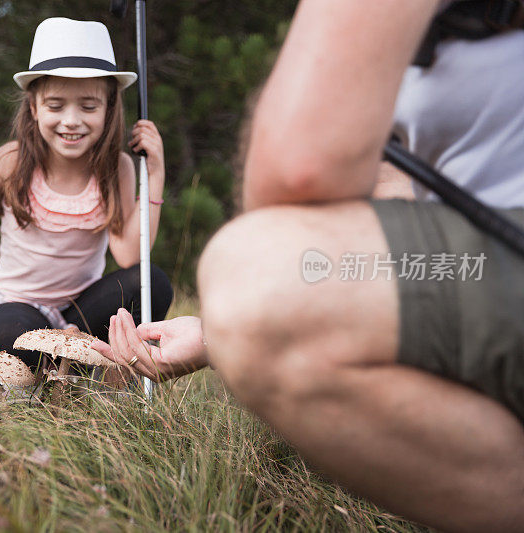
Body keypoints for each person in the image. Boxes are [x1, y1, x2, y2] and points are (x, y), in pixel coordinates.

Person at [92, 1, 524, 530]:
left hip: (496, 257)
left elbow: (294, 168)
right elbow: (398, 195)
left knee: (249, 272)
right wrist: (211, 336)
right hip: (478, 264)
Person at [0, 17, 172, 379]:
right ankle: (58, 373)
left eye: (88, 107)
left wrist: (156, 176)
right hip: (16, 304)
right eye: (56, 106)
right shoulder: (13, 161)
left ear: (108, 107)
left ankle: (81, 365)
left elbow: (129, 255)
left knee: (153, 282)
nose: (71, 121)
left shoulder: (115, 168)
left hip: (81, 311)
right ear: (35, 107)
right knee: (11, 333)